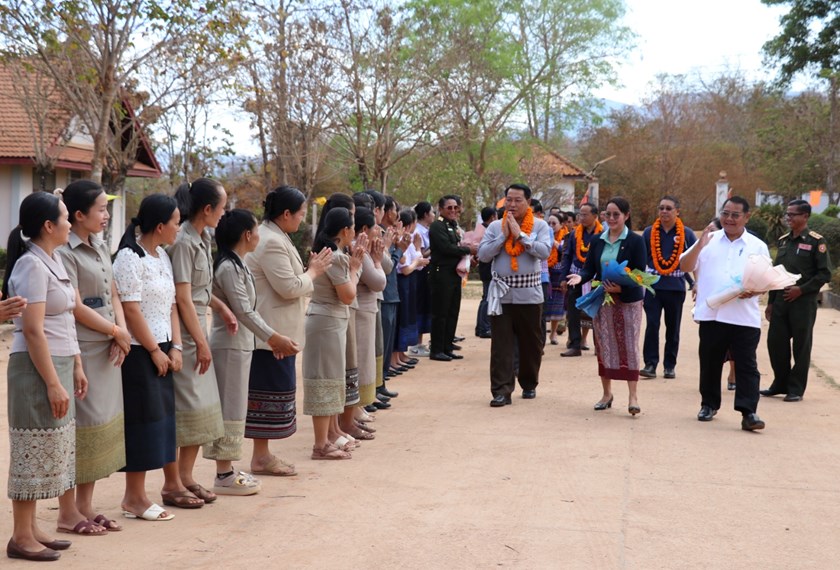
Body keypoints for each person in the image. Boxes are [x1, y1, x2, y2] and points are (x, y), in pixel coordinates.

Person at [4, 192, 88, 561]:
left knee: (50, 449)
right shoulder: (31, 266)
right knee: (31, 450)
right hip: (37, 368)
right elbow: (34, 330)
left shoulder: (52, 261)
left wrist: (77, 365)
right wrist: (53, 381)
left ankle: (33, 528)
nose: (71, 223)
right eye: (66, 217)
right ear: (48, 226)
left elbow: (67, 318)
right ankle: (21, 535)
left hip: (57, 363)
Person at [206, 209, 300, 495]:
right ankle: (223, 473)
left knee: (236, 407)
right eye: (256, 230)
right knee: (230, 407)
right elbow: (244, 311)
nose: (259, 235)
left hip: (241, 344)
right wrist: (274, 338)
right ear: (247, 235)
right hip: (230, 346)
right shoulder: (228, 268)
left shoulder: (239, 264)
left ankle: (227, 469)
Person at [59, 181, 132, 533]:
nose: (106, 215)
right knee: (80, 429)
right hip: (82, 348)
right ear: (78, 215)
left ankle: (85, 507)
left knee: (100, 426)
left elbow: (113, 292)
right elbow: (73, 306)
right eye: (101, 209)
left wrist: (119, 330)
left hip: (107, 346)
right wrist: (114, 331)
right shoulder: (65, 251)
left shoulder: (101, 245)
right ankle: (67, 512)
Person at [245, 186, 332, 474]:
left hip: (278, 330)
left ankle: (263, 455)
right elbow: (289, 287)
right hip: (270, 333)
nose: (302, 220)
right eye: (301, 214)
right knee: (266, 394)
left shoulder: (276, 236)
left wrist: (308, 271)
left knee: (275, 392)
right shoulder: (270, 241)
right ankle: (260, 456)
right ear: (286, 214)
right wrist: (314, 272)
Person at [113, 194, 186, 520]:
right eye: (175, 222)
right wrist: (155, 349)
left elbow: (171, 305)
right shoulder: (130, 257)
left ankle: (140, 496)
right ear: (160, 226)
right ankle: (134, 498)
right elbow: (131, 310)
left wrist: (176, 345)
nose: (178, 228)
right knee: (142, 423)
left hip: (164, 348)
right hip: (141, 351)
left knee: (161, 421)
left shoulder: (162, 256)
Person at [169, 177, 238, 505]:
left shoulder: (200, 236)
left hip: (198, 327)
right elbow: (183, 298)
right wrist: (201, 342)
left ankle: (186, 477)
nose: (224, 214)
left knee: (202, 411)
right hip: (186, 333)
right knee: (188, 410)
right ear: (207, 208)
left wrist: (221, 307)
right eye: (222, 207)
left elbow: (201, 292)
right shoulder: (183, 241)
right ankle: (176, 482)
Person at [680, 196, 768, 431]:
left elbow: (765, 279)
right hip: (713, 314)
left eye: (735, 215)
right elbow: (685, 266)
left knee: (747, 364)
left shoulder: (757, 246)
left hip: (744, 316)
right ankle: (708, 404)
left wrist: (756, 290)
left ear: (746, 217)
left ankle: (748, 412)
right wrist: (699, 244)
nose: (729, 219)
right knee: (710, 362)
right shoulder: (708, 240)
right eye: (725, 213)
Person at [567, 197, 647, 415]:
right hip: (604, 301)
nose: (611, 218)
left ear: (626, 216)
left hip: (628, 302)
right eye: (608, 214)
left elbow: (640, 274)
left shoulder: (635, 241)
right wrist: (579, 278)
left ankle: (633, 396)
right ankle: (606, 393)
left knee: (629, 345)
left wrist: (621, 288)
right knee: (604, 346)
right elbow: (589, 269)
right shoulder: (598, 240)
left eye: (616, 215)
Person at [478, 183, 552, 406]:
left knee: (532, 344)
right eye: (508, 199)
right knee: (501, 345)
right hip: (501, 295)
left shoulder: (539, 225)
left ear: (528, 202)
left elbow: (544, 252)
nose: (511, 204)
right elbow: (482, 255)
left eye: (517, 200)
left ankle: (529, 383)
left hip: (529, 295)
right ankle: (501, 391)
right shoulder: (494, 228)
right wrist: (503, 237)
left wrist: (521, 236)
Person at [303, 207, 364, 459]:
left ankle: (329, 435)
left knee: (331, 380)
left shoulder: (330, 252)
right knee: (325, 381)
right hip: (327, 321)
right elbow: (348, 295)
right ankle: (321, 444)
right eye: (352, 228)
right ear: (345, 230)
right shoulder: (337, 257)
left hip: (329, 321)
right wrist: (354, 268)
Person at [761, 199, 832, 402]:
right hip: (781, 301)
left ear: (805, 217)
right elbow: (775, 273)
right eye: (787, 214)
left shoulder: (816, 241)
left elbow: (824, 274)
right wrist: (771, 302)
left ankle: (796, 388)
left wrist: (801, 290)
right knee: (776, 343)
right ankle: (779, 383)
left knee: (801, 346)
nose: (788, 218)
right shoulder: (784, 241)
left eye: (793, 214)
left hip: (803, 303)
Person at [640, 196, 697, 379]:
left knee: (673, 328)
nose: (664, 211)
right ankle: (650, 364)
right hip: (653, 287)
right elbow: (641, 259)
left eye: (668, 208)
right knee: (652, 325)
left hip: (675, 288)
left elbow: (694, 261)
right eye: (661, 208)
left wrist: (694, 283)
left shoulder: (686, 233)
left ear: (677, 212)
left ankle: (669, 365)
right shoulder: (649, 232)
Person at [428, 194, 476, 361]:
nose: (453, 210)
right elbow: (446, 248)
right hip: (442, 274)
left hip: (454, 274)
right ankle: (436, 349)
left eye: (456, 207)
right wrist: (469, 251)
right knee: (440, 313)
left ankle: (447, 347)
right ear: (441, 209)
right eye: (449, 207)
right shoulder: (437, 226)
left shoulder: (453, 225)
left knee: (452, 311)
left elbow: (456, 246)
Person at [350, 207, 386, 429]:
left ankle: (359, 406)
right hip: (360, 311)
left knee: (366, 359)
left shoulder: (366, 249)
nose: (378, 232)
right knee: (360, 361)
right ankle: (354, 407)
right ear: (364, 229)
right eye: (375, 227)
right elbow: (379, 281)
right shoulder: (359, 251)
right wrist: (378, 261)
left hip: (368, 308)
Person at [558, 203, 602, 356]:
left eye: (585, 215)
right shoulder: (574, 234)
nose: (581, 218)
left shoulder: (603, 234)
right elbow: (567, 256)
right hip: (575, 276)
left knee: (598, 312)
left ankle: (600, 346)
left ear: (595, 216)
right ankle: (575, 344)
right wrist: (564, 277)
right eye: (580, 215)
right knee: (573, 311)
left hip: (596, 278)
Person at [410, 201, 434, 355]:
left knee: (426, 306)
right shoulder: (418, 231)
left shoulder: (425, 230)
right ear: (425, 214)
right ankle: (416, 344)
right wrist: (435, 247)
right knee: (419, 306)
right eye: (432, 212)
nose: (433, 215)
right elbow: (420, 254)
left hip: (426, 272)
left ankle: (420, 342)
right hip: (419, 272)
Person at [545, 212, 569, 345]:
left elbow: (565, 252)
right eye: (549, 223)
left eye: (554, 224)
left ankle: (553, 333)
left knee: (557, 306)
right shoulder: (543, 234)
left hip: (558, 274)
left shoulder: (566, 237)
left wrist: (555, 243)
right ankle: (542, 333)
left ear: (561, 225)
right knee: (544, 305)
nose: (551, 226)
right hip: (546, 273)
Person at [475, 206, 497, 338]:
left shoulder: (482, 228)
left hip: (485, 267)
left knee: (486, 297)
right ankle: (483, 328)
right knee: (487, 298)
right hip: (487, 267)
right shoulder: (487, 230)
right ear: (492, 217)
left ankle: (481, 327)